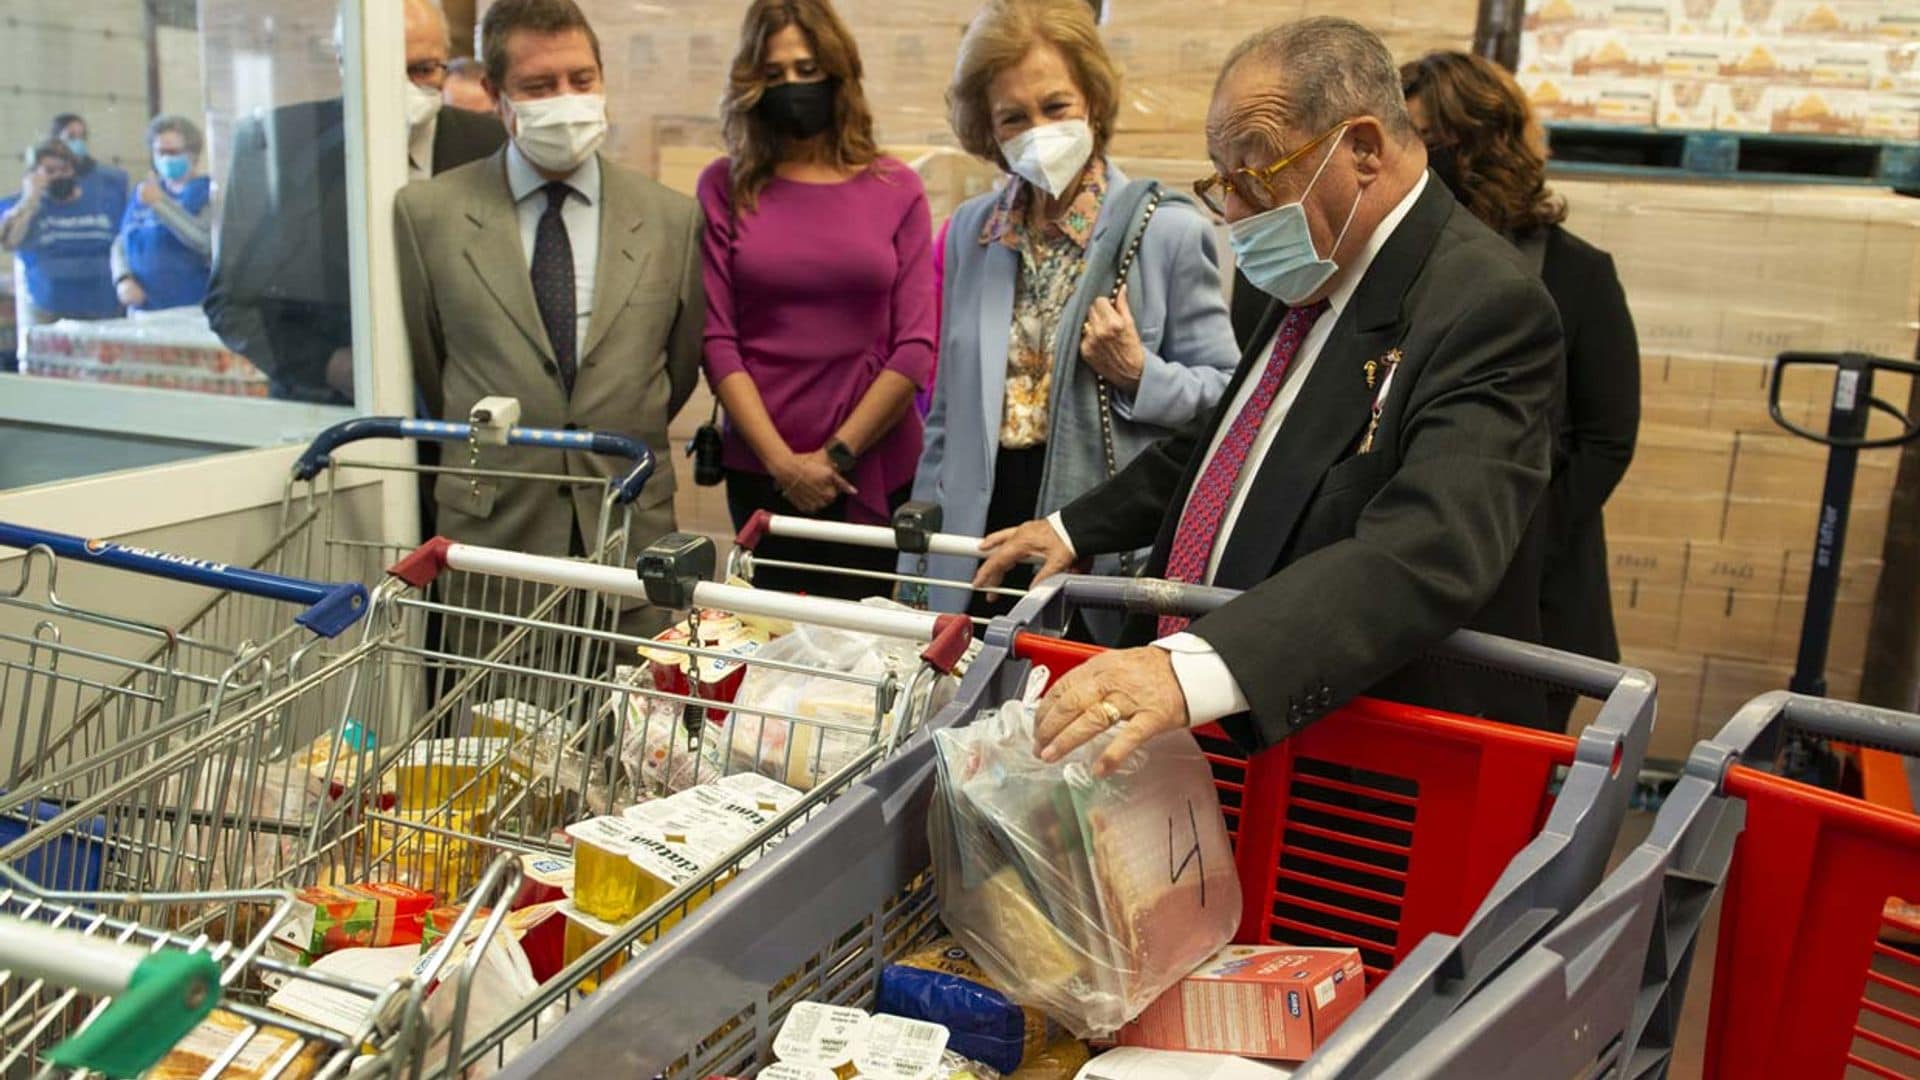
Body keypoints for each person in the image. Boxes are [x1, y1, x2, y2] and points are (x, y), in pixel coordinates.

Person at [976, 17, 1565, 772]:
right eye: (1223, 181)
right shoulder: (1311, 266)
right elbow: (1225, 445)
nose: (1237, 217)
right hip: (1219, 730)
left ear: (1362, 150)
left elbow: (1425, 550)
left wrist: (1189, 667)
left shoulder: (1485, 306)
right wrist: (1072, 526)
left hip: (1352, 750)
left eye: (1256, 177)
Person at [907, 0, 1239, 620]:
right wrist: (924, 560)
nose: (1038, 130)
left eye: (1056, 107)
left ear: (1092, 99)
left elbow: (1228, 398)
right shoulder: (971, 233)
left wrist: (1140, 375)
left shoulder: (1164, 230)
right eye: (1013, 117)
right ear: (988, 130)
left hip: (1095, 531)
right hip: (983, 530)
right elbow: (947, 413)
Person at [394, 0, 704, 618]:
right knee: (495, 718)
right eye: (539, 86)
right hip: (494, 545)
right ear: (495, 94)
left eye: (581, 80)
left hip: (630, 536)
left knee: (636, 714)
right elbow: (434, 372)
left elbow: (677, 368)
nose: (567, 99)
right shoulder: (428, 216)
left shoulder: (672, 218)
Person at [1401, 50, 1639, 730]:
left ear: (1477, 143)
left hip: (1534, 593)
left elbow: (1607, 439)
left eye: (1423, 139)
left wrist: (1516, 539)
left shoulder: (1579, 274)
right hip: (1415, 583)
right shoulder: (1404, 267)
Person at [699, 0, 937, 599]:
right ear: (751, 86)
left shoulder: (896, 188)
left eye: (807, 70)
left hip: (874, 470)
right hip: (761, 473)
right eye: (774, 74)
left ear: (838, 72)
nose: (792, 87)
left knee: (868, 654)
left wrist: (835, 456)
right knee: (769, 647)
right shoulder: (725, 187)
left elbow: (915, 347)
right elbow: (718, 341)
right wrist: (784, 464)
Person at [204, 0, 505, 404]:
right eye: (382, 69)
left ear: (446, 64)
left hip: (461, 414)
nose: (403, 86)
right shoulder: (279, 145)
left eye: (423, 69)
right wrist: (330, 366)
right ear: (344, 66)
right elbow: (232, 304)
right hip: (328, 412)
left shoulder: (493, 147)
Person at [1, 140, 124, 351]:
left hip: (102, 310)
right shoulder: (18, 206)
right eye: (50, 171)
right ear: (35, 174)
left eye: (64, 169)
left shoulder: (104, 201)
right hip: (48, 312)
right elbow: (10, 240)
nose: (59, 175)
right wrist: (30, 199)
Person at [111, 114, 214, 313]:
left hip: (189, 309)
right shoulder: (143, 193)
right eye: (160, 152)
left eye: (173, 152)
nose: (166, 158)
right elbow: (121, 241)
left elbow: (204, 241)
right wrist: (122, 278)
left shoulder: (205, 192)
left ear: (193, 154)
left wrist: (160, 204)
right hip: (143, 309)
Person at [49, 113, 130, 210]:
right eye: (71, 137)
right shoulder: (44, 177)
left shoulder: (110, 178)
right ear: (56, 140)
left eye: (82, 137)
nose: (78, 142)